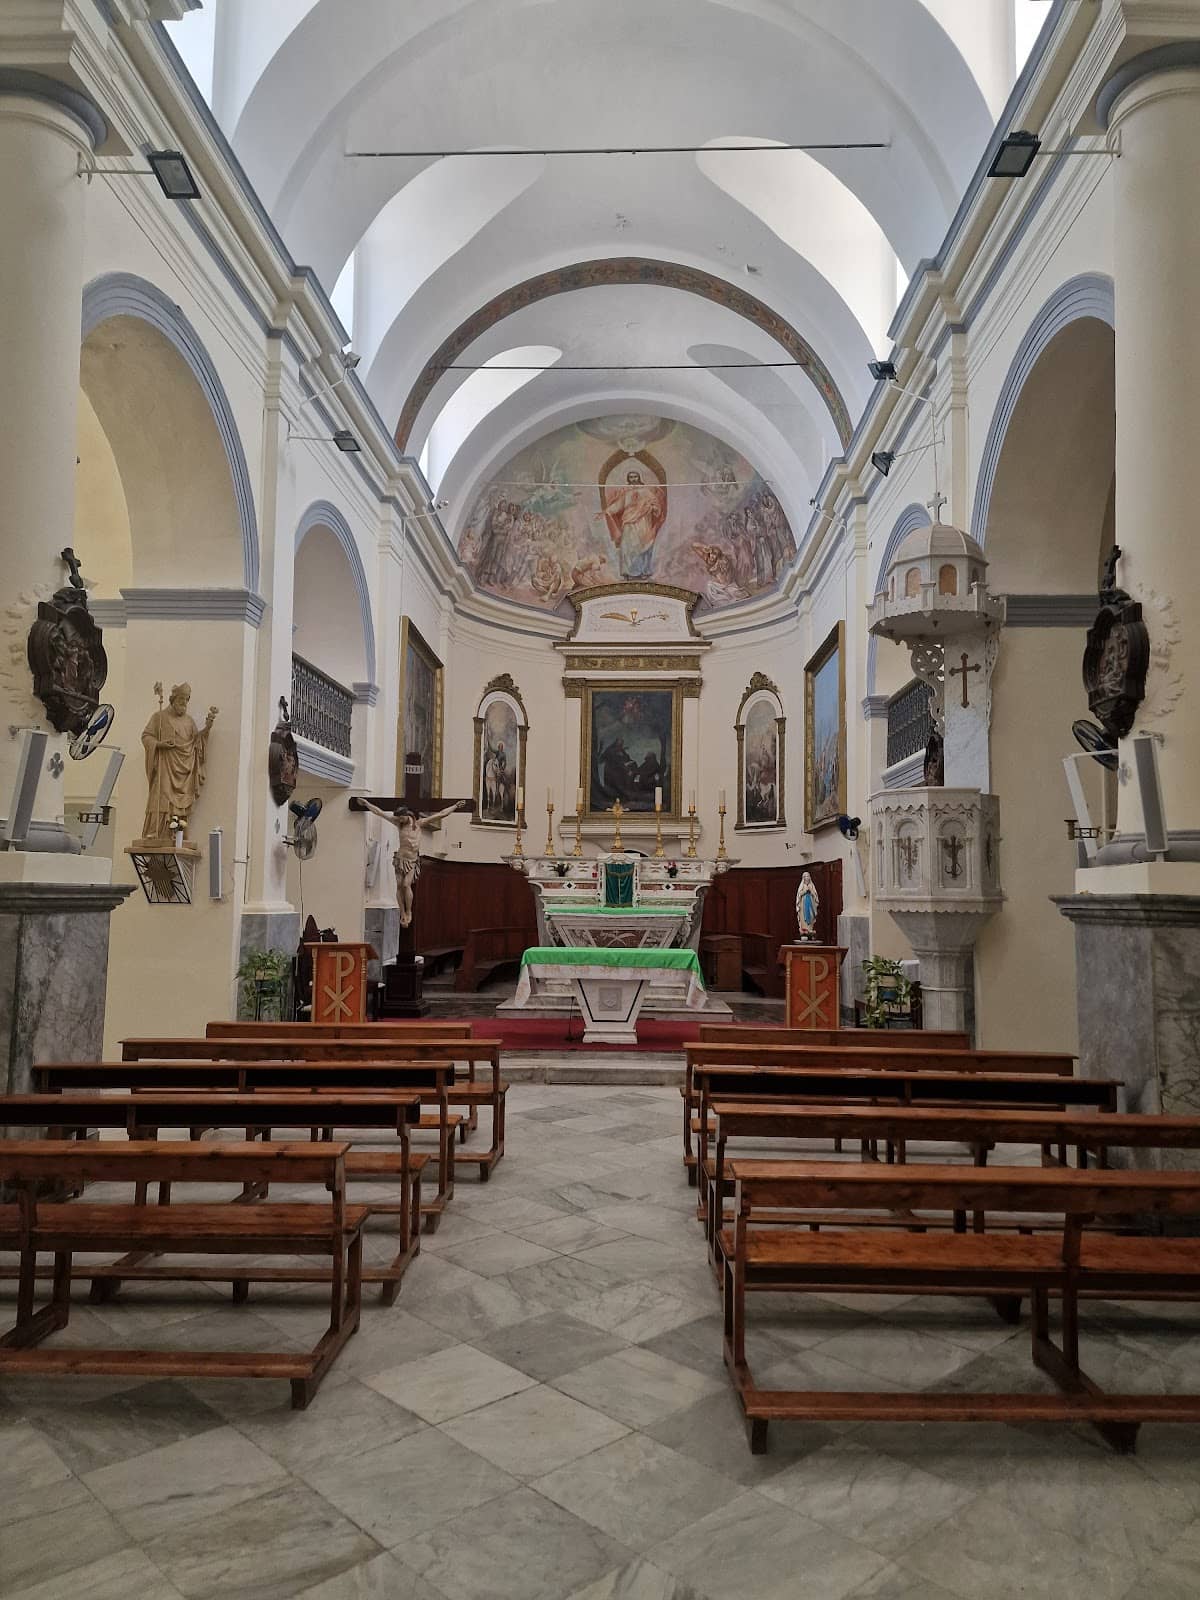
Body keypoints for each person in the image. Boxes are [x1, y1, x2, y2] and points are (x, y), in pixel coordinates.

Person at [356, 797, 468, 927]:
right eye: (398, 818)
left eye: (401, 817)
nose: (399, 820)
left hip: (412, 860)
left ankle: (409, 912)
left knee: (405, 885)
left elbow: (441, 814)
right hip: (400, 859)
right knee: (399, 885)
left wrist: (455, 806)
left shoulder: (419, 824)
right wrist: (366, 803)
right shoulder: (398, 823)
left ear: (406, 815)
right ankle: (402, 913)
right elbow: (379, 812)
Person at [140, 683, 217, 842]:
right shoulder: (159, 717)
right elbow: (146, 737)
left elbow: (196, 743)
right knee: (160, 796)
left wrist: (207, 729)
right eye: (181, 700)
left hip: (184, 769)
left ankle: (177, 833)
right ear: (172, 700)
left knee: (179, 805)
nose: (184, 704)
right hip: (165, 765)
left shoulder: (189, 722)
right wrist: (159, 745)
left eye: (187, 701)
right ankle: (156, 832)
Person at [596, 469, 667, 578]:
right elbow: (617, 506)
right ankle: (628, 572)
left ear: (639, 478)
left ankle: (643, 571)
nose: (633, 479)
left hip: (643, 523)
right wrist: (605, 512)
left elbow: (657, 506)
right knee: (626, 547)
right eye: (631, 477)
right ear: (628, 479)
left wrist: (653, 508)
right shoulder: (627, 493)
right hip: (629, 523)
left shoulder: (647, 492)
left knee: (643, 546)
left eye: (635, 476)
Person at [796, 870, 820, 941]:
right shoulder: (802, 886)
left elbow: (815, 896)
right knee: (803, 917)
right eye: (806, 876)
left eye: (808, 876)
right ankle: (804, 931)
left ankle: (810, 930)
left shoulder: (812, 886)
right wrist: (804, 891)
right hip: (803, 905)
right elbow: (799, 896)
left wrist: (811, 891)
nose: (807, 878)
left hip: (811, 904)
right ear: (803, 878)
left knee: (811, 916)